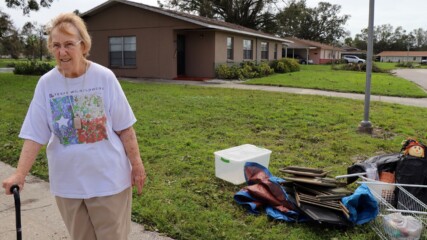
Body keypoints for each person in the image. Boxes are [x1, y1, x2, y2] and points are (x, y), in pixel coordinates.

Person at [2, 12, 146, 240]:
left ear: (83, 45)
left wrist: (136, 165)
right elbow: (35, 134)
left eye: (69, 44)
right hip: (68, 185)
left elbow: (125, 128)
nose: (62, 52)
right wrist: (19, 174)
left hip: (108, 183)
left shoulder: (104, 78)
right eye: (56, 45)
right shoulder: (46, 84)